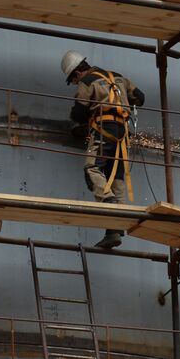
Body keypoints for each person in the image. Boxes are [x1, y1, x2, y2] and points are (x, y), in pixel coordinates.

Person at [61, 49, 145, 249]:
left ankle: (108, 202)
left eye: (73, 80)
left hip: (103, 130)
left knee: (91, 170)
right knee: (114, 176)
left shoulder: (87, 82)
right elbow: (140, 98)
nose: (74, 83)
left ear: (77, 72)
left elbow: (79, 114)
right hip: (122, 133)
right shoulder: (118, 77)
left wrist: (82, 123)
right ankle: (114, 230)